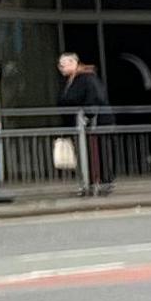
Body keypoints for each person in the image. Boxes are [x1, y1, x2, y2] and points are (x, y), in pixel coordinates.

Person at [54, 52, 110, 195]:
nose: (60, 68)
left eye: (63, 64)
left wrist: (87, 116)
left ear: (73, 62)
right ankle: (88, 182)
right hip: (79, 124)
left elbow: (94, 98)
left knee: (93, 153)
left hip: (90, 124)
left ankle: (98, 183)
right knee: (83, 154)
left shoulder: (86, 78)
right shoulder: (72, 79)